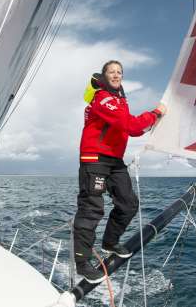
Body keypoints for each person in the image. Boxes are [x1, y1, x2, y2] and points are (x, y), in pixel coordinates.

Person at [73, 60, 166, 283]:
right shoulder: (102, 98)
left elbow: (131, 130)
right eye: (111, 72)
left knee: (128, 204)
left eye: (119, 72)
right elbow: (131, 125)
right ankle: (83, 263)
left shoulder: (119, 101)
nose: (116, 75)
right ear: (104, 77)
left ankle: (109, 242)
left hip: (114, 160)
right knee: (91, 210)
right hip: (94, 158)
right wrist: (156, 112)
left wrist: (153, 124)